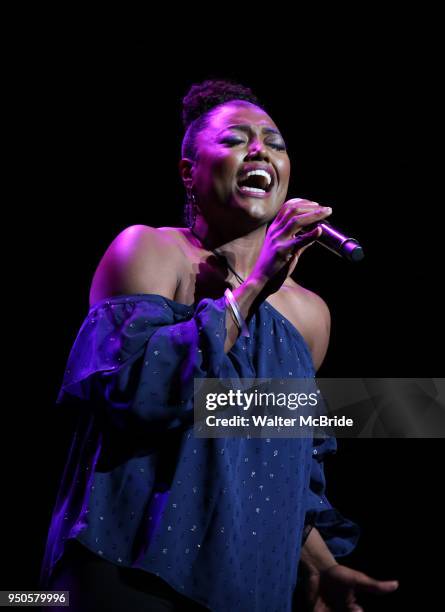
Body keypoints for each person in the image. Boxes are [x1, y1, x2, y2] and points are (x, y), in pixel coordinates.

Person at [40, 80, 399, 611]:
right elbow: (134, 397)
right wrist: (251, 290)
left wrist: (322, 565)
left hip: (246, 587)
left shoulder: (310, 316)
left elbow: (269, 446)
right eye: (235, 139)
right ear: (189, 171)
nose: (260, 150)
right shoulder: (150, 250)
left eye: (274, 142)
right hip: (131, 570)